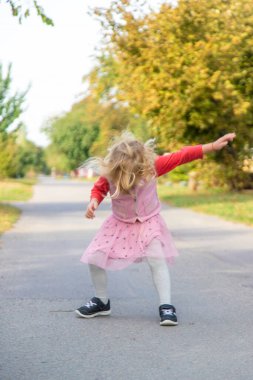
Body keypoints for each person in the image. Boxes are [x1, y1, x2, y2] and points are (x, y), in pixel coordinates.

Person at [75, 132, 236, 326]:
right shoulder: (111, 172)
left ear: (142, 164)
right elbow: (99, 188)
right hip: (119, 222)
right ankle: (101, 301)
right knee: (95, 257)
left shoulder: (153, 167)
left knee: (156, 258)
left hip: (148, 221)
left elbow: (182, 155)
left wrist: (211, 146)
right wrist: (94, 202)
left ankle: (166, 306)